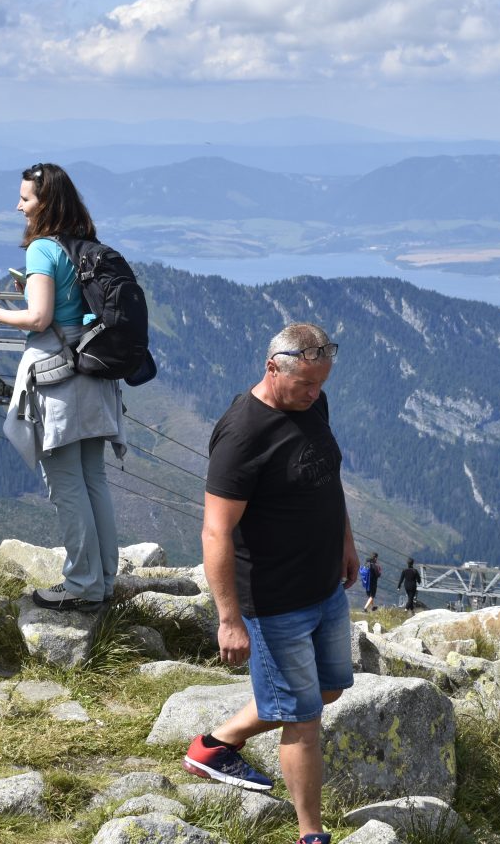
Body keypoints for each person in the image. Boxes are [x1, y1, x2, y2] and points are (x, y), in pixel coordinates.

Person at [182, 322, 356, 844]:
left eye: (321, 383)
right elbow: (216, 529)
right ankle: (310, 834)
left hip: (324, 585)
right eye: (305, 383)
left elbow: (328, 478)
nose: (315, 393)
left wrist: (346, 542)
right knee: (302, 719)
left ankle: (214, 745)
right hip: (276, 599)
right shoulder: (243, 434)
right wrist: (228, 619)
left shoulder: (309, 404)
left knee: (327, 688)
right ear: (272, 367)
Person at [0, 163, 125, 610]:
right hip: (95, 369)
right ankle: (104, 581)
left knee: (65, 483)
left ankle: (80, 586)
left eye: (26, 199)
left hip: (58, 375)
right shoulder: (85, 246)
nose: (18, 205)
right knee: (93, 479)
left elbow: (38, 318)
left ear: (45, 204)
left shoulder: (42, 250)